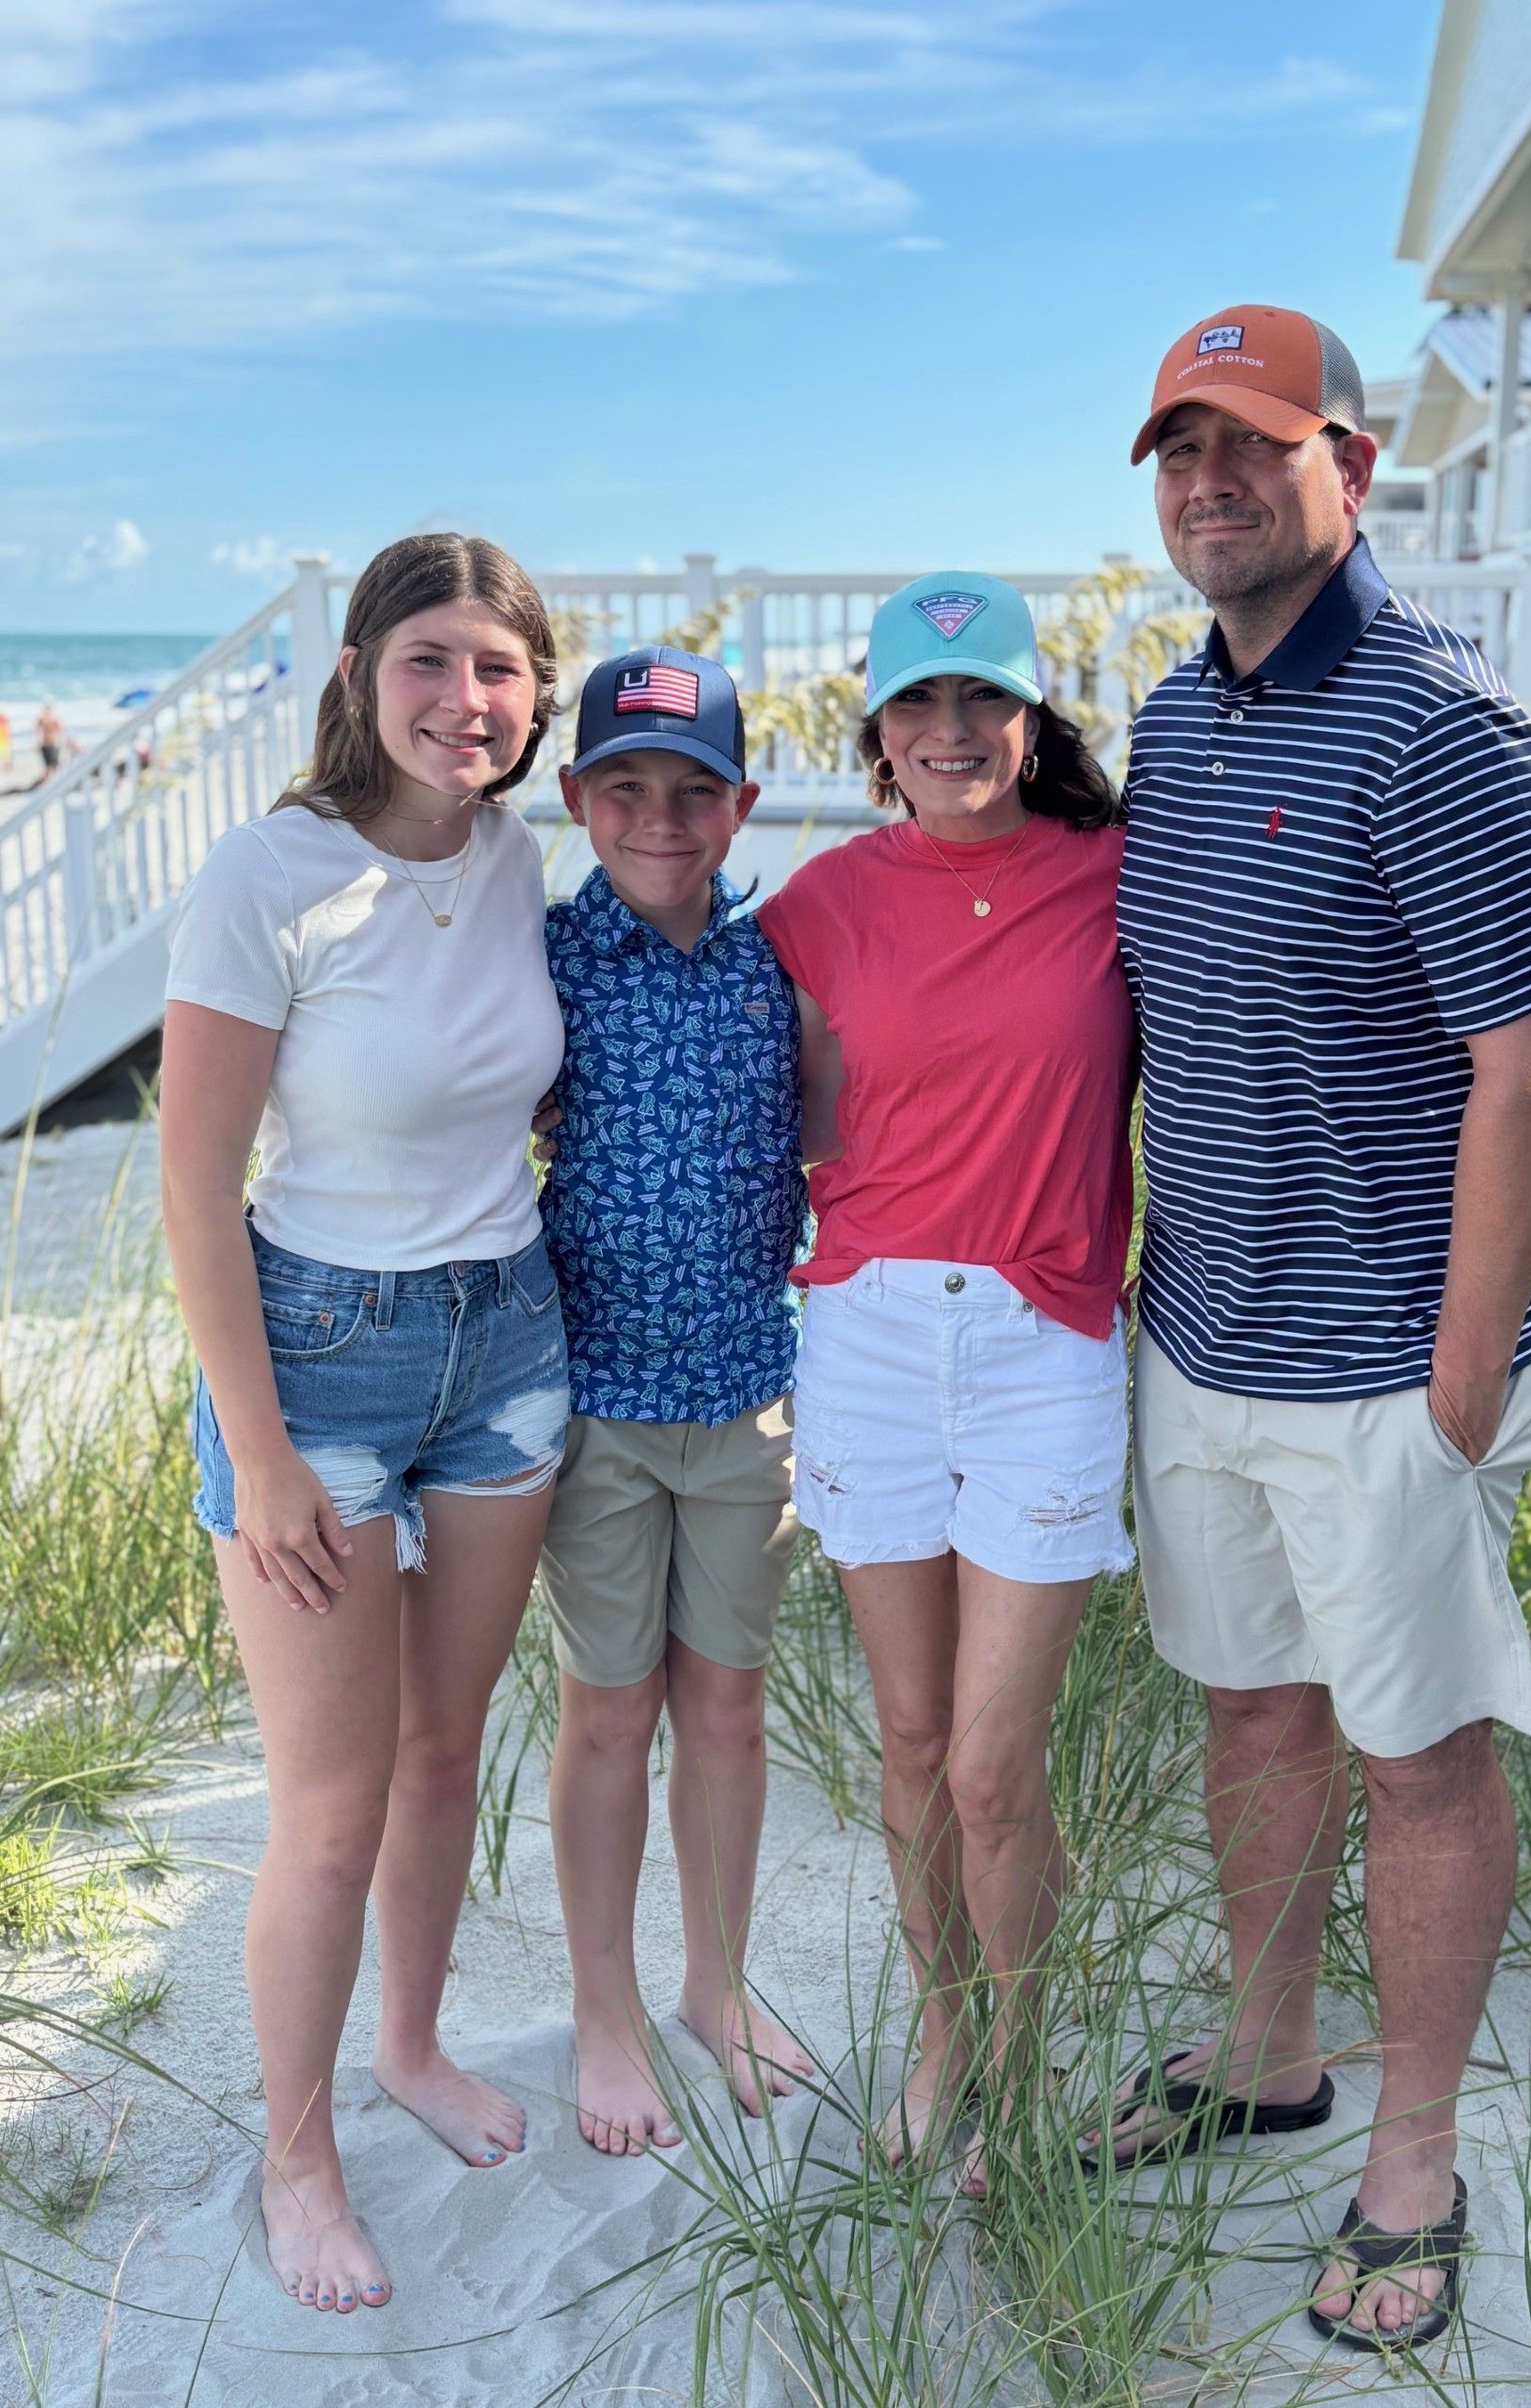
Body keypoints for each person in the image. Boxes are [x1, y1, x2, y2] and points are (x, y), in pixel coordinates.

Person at [1092, 309, 1531, 2350]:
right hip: (1200, 1328)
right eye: (1176, 450)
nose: (1207, 481)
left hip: (1387, 1362)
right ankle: (1272, 2053)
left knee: (1420, 1759)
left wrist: (1463, 1366)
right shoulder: (1175, 715)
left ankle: (1410, 2150)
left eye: (1252, 444)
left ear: (1352, 465)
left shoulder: (1431, 717)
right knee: (1252, 1711)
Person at [160, 533, 570, 2316]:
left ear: (534, 694)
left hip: (512, 1343)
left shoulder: (518, 856)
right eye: (427, 659)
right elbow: (192, 1183)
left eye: (496, 666)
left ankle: (413, 2044)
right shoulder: (265, 873)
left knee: (443, 1750)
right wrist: (254, 1450)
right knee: (327, 1807)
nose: (462, 700)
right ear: (355, 673)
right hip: (316, 1361)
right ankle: (299, 2150)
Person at [758, 574, 1137, 2197]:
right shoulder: (820, 904)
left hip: (1048, 1343)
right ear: (879, 732)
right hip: (866, 1340)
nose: (954, 733)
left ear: (1035, 721)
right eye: (920, 705)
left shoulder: (1122, 877)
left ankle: (1026, 2056)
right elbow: (773, 1111)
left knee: (994, 1767)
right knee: (910, 1744)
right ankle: (944, 2036)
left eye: (985, 701)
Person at [537, 646, 814, 2156]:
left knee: (726, 1706)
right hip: (593, 1408)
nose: (659, 817)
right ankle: (605, 2004)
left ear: (740, 805)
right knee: (605, 1714)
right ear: (575, 798)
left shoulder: (782, 961)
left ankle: (714, 1983)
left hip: (750, 1395)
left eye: (691, 790)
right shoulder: (541, 959)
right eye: (626, 788)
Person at [36, 700, 65, 782]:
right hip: (45, 744)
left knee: (54, 765)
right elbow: (37, 731)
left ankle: (54, 781)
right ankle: (48, 782)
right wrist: (37, 742)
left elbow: (61, 730)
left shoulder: (54, 718)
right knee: (47, 766)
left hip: (53, 744)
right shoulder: (42, 718)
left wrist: (61, 741)